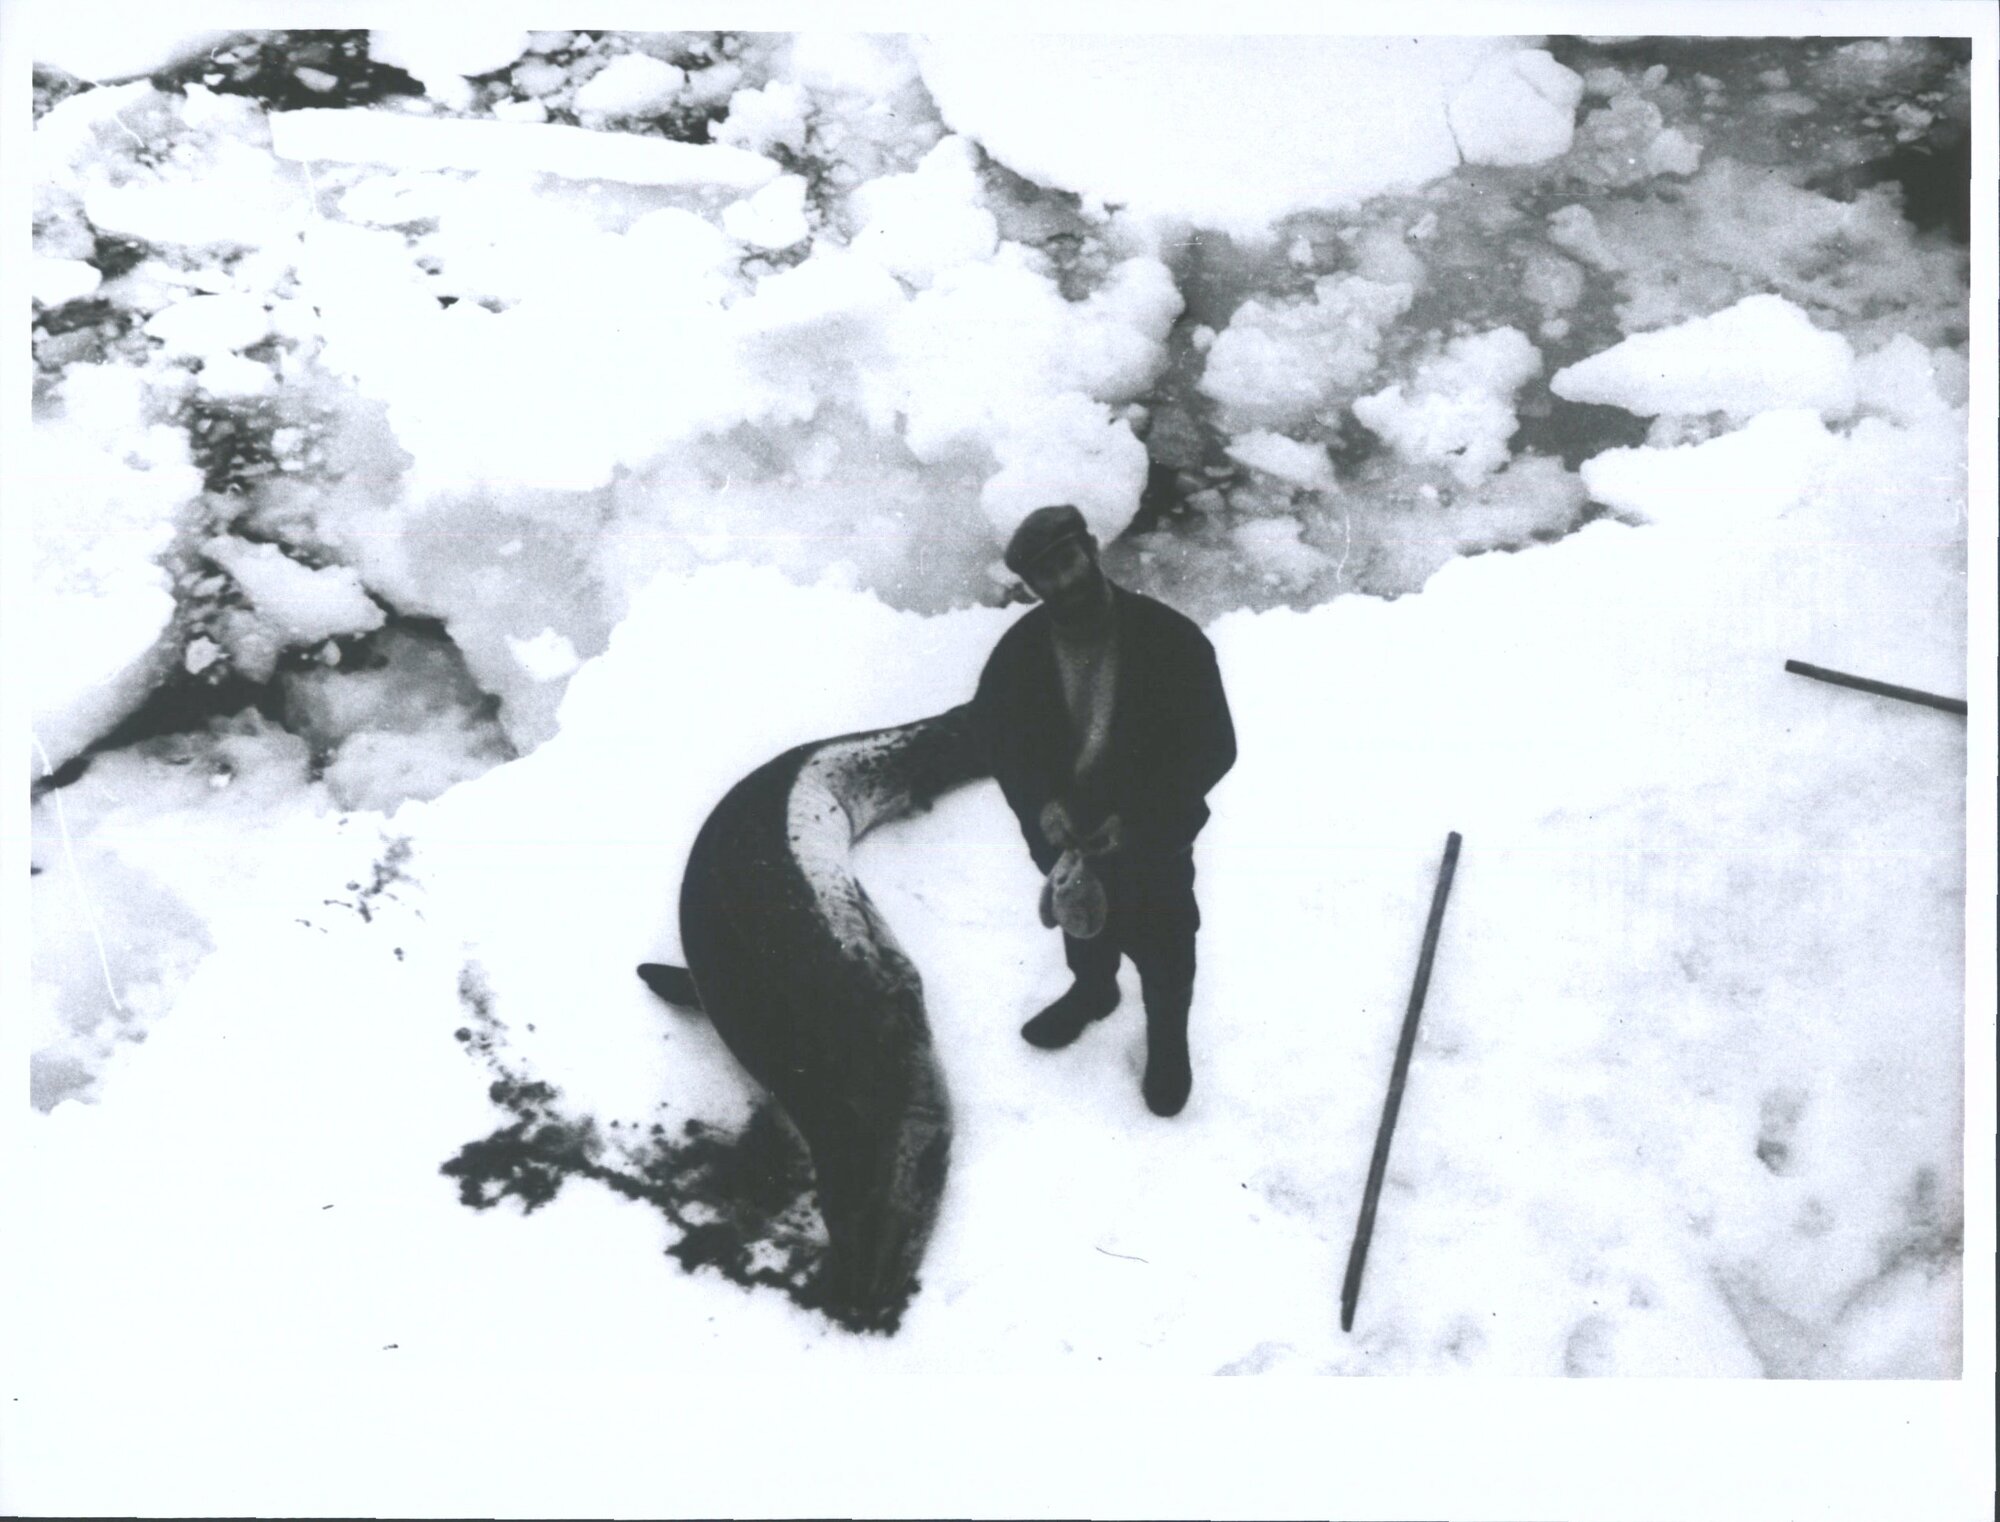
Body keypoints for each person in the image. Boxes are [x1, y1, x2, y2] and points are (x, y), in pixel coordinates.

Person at [969, 504, 1236, 1117]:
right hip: (1070, 843)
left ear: (1091, 548)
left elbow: (1215, 747)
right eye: (1045, 577)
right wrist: (1041, 806)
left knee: (1166, 945)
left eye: (1067, 562)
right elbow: (997, 741)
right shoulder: (1017, 657)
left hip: (1153, 841)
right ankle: (1094, 994)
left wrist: (1140, 817)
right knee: (1083, 927)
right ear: (1031, 587)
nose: (1062, 583)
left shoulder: (1170, 641)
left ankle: (1167, 1037)